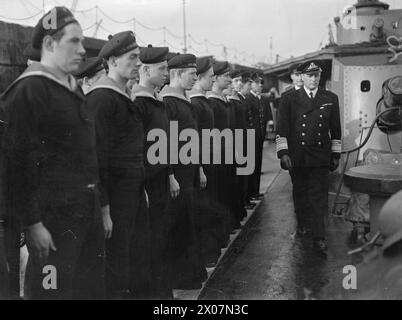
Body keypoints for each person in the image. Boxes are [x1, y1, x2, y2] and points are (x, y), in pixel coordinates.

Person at [1, 7, 105, 299]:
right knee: (53, 291)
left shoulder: (71, 89)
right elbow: (16, 164)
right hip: (53, 220)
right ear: (49, 44)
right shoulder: (29, 90)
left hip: (83, 213)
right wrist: (33, 223)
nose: (82, 50)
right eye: (74, 42)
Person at [86, 31, 149, 299]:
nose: (138, 63)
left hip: (130, 197)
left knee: (131, 262)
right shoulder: (102, 99)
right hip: (114, 202)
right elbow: (96, 159)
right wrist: (104, 209)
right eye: (133, 57)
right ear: (112, 61)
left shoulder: (123, 98)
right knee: (115, 267)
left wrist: (140, 188)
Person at [276, 60, 341, 252]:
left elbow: (335, 129)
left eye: (316, 76)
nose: (313, 79)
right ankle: (303, 221)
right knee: (300, 192)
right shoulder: (289, 98)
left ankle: (318, 236)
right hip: (298, 155)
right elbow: (282, 128)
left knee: (319, 196)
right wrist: (283, 153)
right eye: (310, 76)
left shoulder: (330, 98)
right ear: (302, 77)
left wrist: (335, 154)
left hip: (320, 155)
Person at [160, 53, 207, 289]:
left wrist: (199, 169)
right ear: (177, 74)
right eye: (191, 74)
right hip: (177, 174)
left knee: (189, 222)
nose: (195, 78)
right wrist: (170, 175)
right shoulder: (168, 102)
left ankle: (190, 274)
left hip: (188, 172)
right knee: (179, 224)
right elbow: (163, 143)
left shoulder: (183, 100)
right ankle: (181, 277)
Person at [132, 45, 174, 299]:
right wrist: (143, 187)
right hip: (147, 185)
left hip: (160, 181)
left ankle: (163, 294)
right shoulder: (139, 103)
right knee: (149, 243)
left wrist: (169, 175)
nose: (166, 73)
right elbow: (136, 149)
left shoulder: (157, 100)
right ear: (145, 70)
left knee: (161, 240)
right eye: (162, 69)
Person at [207, 61, 237, 239]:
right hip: (217, 155)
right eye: (225, 76)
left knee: (227, 190)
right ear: (216, 78)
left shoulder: (221, 102)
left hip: (226, 153)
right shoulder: (212, 102)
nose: (229, 79)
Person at [227, 70, 249, 222]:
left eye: (240, 80)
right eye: (235, 80)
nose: (238, 83)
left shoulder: (238, 97)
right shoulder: (229, 99)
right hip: (235, 140)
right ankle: (238, 208)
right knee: (236, 177)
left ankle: (243, 203)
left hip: (243, 138)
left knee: (243, 174)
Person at [246, 73, 267, 201]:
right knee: (252, 165)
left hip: (259, 136)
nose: (260, 85)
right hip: (251, 136)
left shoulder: (259, 99)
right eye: (257, 83)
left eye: (261, 83)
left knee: (258, 164)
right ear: (251, 84)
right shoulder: (248, 98)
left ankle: (256, 190)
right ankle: (251, 192)